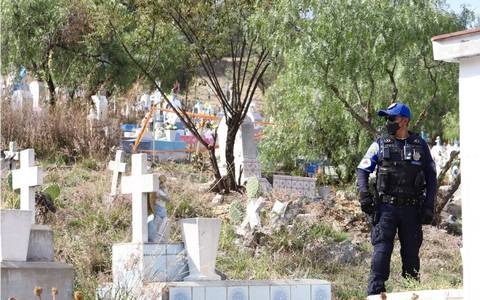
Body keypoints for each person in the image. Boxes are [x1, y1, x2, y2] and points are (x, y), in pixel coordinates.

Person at [356, 102, 437, 296]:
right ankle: (375, 295)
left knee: (411, 260)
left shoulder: (420, 145)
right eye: (387, 118)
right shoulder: (380, 144)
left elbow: (432, 177)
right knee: (381, 256)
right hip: (386, 210)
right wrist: (364, 195)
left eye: (392, 118)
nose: (388, 122)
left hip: (412, 211)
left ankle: (412, 294)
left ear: (405, 120)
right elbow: (362, 170)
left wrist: (428, 206)